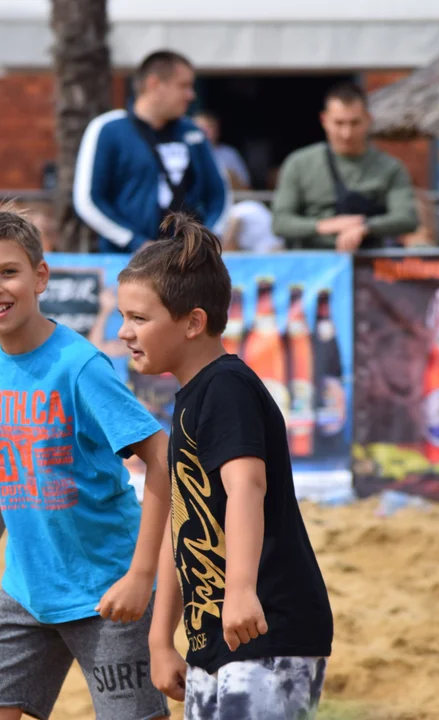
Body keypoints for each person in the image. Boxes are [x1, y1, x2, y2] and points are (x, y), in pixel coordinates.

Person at [0, 210, 172, 720]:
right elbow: (9, 469)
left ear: (40, 277)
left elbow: (163, 458)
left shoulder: (80, 366)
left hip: (108, 591)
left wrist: (141, 574)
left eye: (9, 272)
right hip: (26, 588)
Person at [116, 213, 334, 719]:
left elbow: (247, 486)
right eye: (124, 317)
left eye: (139, 318)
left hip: (267, 626)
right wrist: (161, 638)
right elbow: (183, 522)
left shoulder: (227, 387)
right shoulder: (190, 397)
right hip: (214, 637)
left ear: (193, 322)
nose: (125, 332)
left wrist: (239, 590)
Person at [74, 50, 231, 254]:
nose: (191, 95)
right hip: (126, 261)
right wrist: (135, 242)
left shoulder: (193, 133)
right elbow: (89, 200)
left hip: (187, 261)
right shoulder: (108, 128)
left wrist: (205, 241)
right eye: (183, 86)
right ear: (154, 84)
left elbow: (220, 194)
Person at [271, 82, 418, 251]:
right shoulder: (299, 163)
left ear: (368, 120)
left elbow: (407, 218)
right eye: (339, 123)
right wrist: (324, 226)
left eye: (354, 123)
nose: (346, 133)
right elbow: (280, 222)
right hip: (313, 263)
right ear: (324, 120)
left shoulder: (390, 167)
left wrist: (365, 227)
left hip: (369, 264)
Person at [192, 110, 251, 190]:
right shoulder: (185, 152)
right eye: (201, 127)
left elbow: (247, 189)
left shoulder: (229, 153)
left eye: (210, 126)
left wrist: (230, 177)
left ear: (217, 130)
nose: (206, 131)